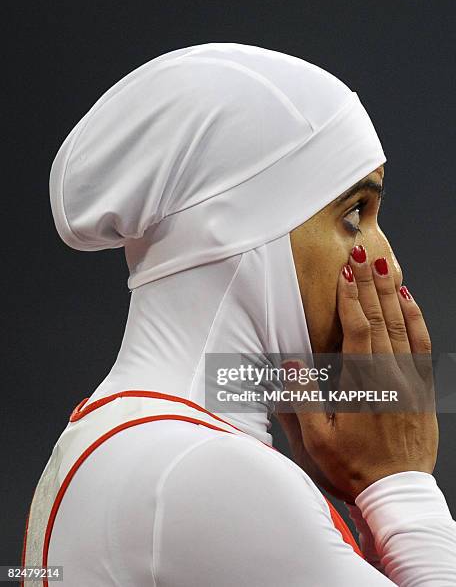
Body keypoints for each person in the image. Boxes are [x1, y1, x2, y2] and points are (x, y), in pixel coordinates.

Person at [21, 42, 456, 586]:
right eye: (355, 214)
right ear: (234, 225)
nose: (385, 255)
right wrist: (401, 484)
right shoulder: (206, 473)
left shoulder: (120, 440)